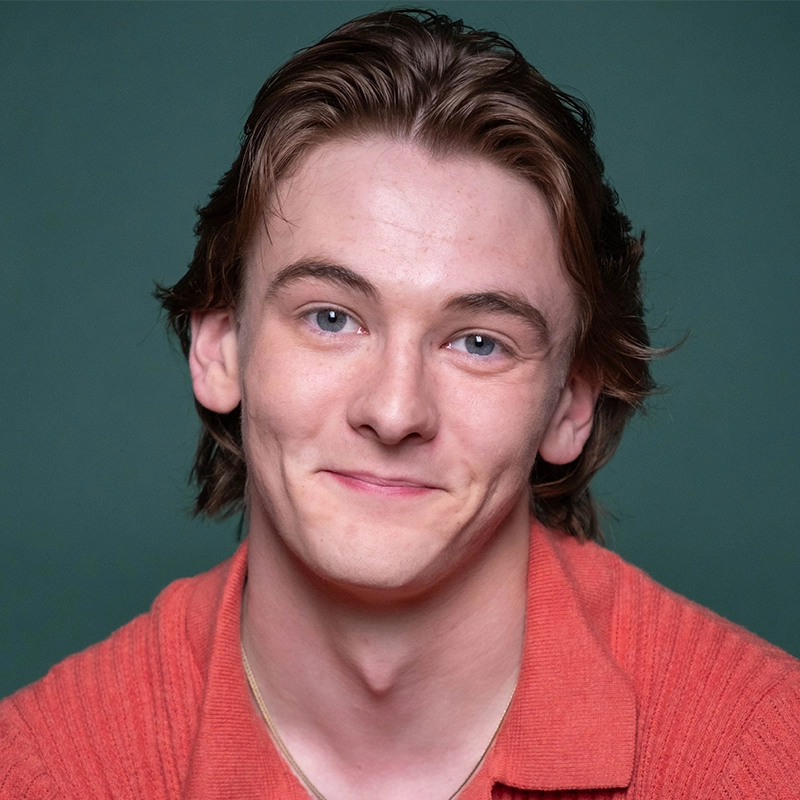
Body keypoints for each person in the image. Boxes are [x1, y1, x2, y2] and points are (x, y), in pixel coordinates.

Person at [1, 9, 798, 799]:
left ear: (570, 404)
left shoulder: (767, 758)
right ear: (219, 350)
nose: (393, 412)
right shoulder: (41, 772)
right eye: (331, 318)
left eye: (479, 342)